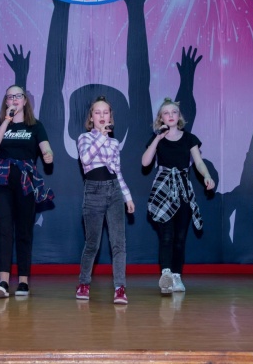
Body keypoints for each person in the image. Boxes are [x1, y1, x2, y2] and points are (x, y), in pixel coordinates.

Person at [0, 85, 54, 298]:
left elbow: (45, 146)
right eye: (10, 97)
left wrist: (48, 154)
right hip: (2, 181)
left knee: (24, 230)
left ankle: (23, 281)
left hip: (26, 181)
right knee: (4, 229)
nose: (14, 99)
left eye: (18, 96)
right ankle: (3, 282)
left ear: (24, 100)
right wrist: (7, 120)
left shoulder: (35, 126)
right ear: (6, 102)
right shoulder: (1, 124)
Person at [142, 98, 215, 294]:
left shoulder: (189, 138)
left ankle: (176, 276)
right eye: (166, 113)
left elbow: (198, 162)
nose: (171, 115)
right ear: (161, 118)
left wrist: (207, 175)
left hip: (182, 188)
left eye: (174, 112)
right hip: (163, 189)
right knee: (166, 236)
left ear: (179, 116)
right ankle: (165, 276)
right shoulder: (157, 139)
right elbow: (145, 162)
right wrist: (157, 138)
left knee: (180, 237)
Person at [75, 96, 135, 304]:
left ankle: (120, 288)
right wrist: (101, 136)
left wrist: (127, 196)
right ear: (91, 117)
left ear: (111, 116)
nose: (102, 116)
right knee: (92, 243)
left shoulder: (115, 143)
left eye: (105, 112)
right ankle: (84, 283)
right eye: (97, 112)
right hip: (93, 191)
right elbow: (86, 159)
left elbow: (117, 172)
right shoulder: (84, 138)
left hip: (114, 190)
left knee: (118, 243)